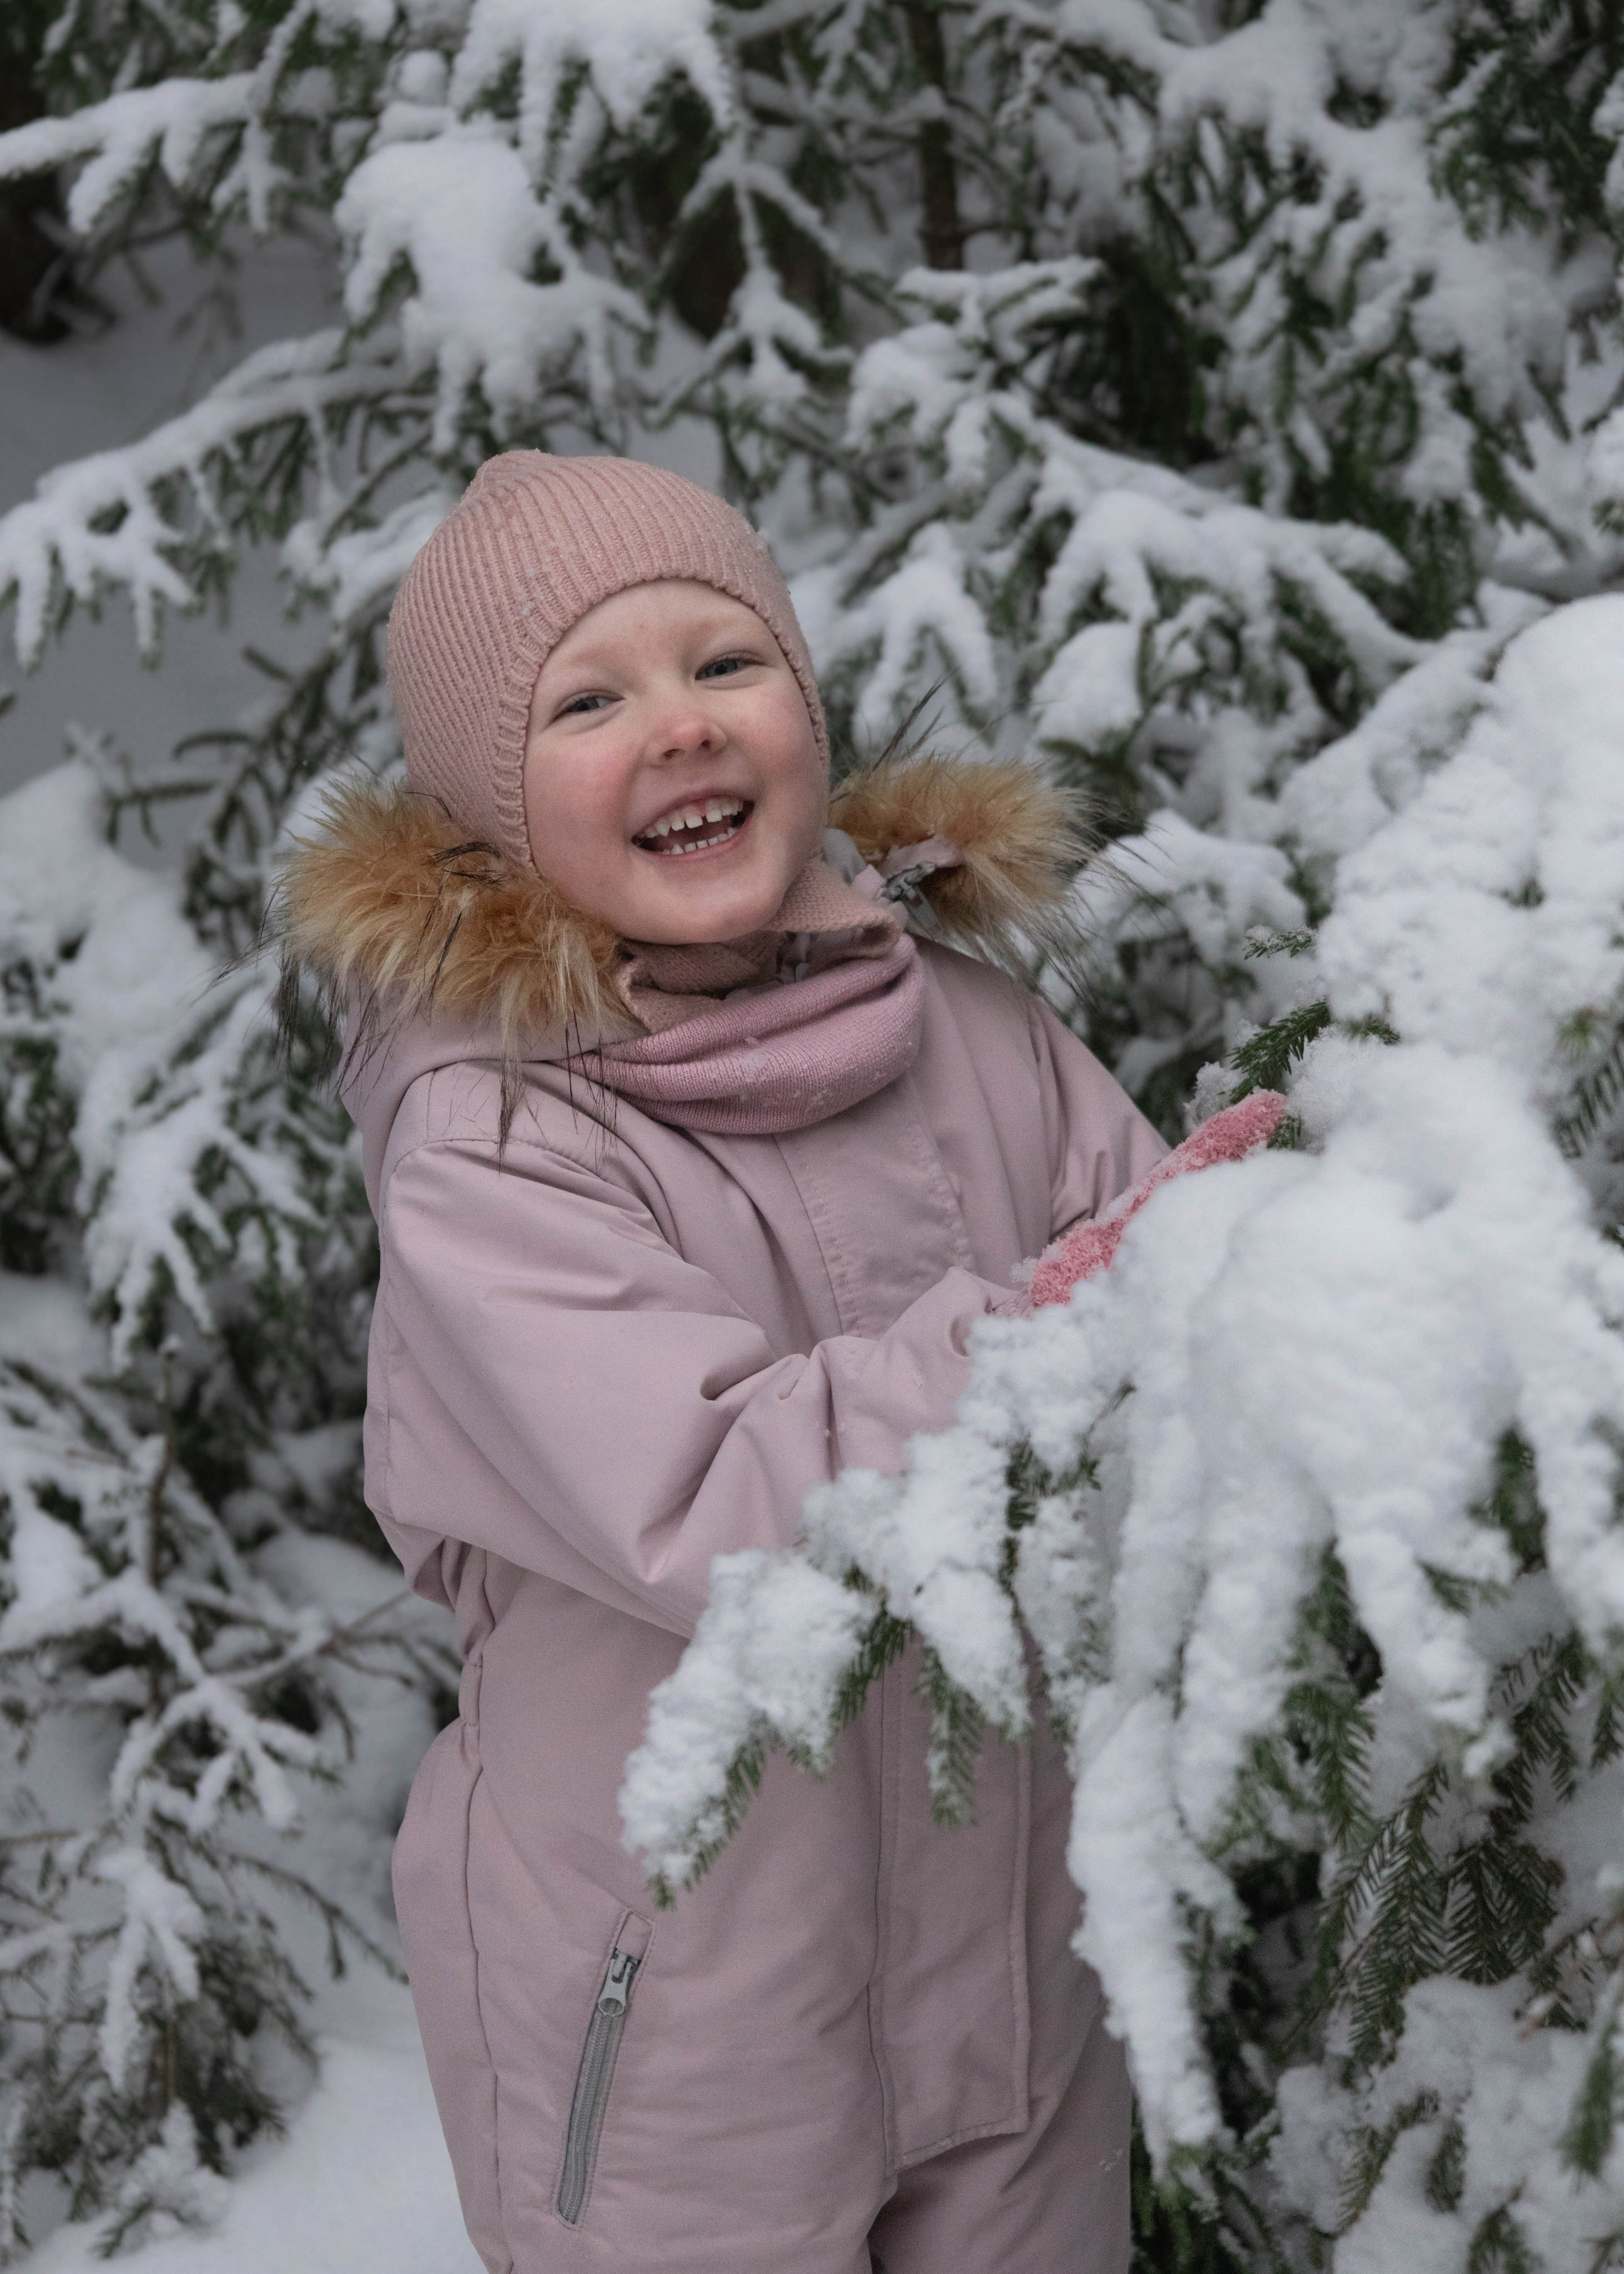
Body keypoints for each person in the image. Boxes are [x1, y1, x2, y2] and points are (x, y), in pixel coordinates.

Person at [282, 451, 1166, 2274]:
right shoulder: (493, 1141)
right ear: (488, 808)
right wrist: (1080, 1314)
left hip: (1011, 1961)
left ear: (806, 710)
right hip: (682, 2012)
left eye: (724, 663)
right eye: (589, 701)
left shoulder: (978, 1033)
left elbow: (1177, 1320)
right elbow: (716, 1495)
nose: (678, 727)